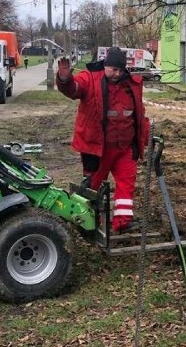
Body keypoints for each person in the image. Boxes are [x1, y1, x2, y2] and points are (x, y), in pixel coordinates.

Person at [56, 46, 149, 233]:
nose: (117, 74)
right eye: (113, 69)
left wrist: (144, 138)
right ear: (105, 65)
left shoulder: (131, 84)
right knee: (93, 187)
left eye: (120, 70)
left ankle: (122, 222)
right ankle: (89, 223)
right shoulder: (90, 78)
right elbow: (74, 89)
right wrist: (64, 79)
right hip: (98, 148)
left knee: (126, 185)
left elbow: (139, 115)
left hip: (125, 147)